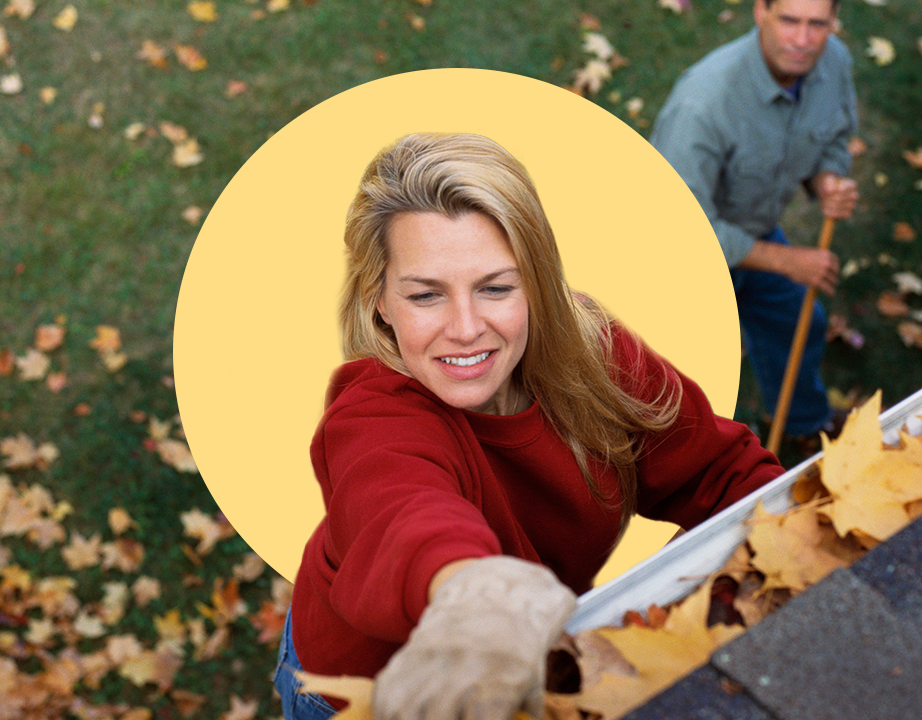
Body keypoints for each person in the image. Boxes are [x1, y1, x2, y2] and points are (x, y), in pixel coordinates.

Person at [274, 132, 785, 720]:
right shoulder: (374, 415)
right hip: (365, 693)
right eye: (425, 295)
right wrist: (483, 599)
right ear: (379, 301)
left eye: (495, 288)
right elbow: (400, 508)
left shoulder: (593, 355)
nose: (466, 328)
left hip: (537, 667)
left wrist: (718, 599)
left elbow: (725, 473)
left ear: (537, 286)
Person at [648, 0, 860, 450]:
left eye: (817, 24)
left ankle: (803, 423)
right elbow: (681, 226)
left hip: (753, 232)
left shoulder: (834, 63)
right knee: (674, 382)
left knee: (799, 322)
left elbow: (836, 135)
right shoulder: (702, 104)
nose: (803, 40)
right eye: (789, 21)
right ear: (760, 11)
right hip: (677, 259)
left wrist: (826, 180)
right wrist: (786, 261)